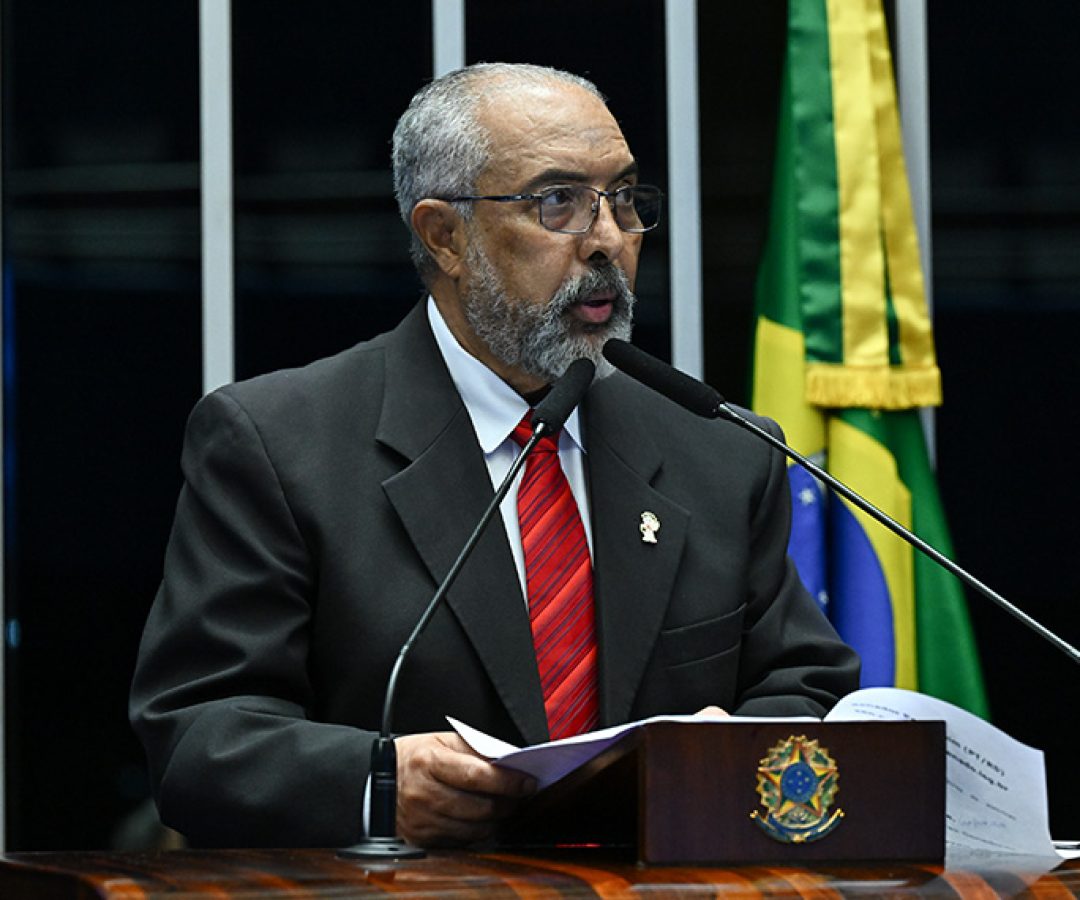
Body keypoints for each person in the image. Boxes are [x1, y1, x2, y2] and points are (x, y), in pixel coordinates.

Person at [130, 62, 859, 850]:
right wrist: (377, 783)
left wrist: (729, 753)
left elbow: (806, 688)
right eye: (559, 202)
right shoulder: (280, 443)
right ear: (444, 235)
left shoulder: (719, 450)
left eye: (623, 198)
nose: (608, 240)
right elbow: (199, 737)